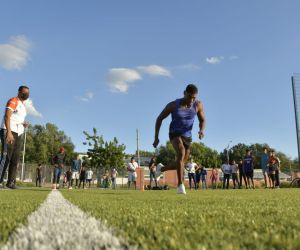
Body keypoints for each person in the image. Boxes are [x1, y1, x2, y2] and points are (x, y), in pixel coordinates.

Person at [153, 84, 205, 194]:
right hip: (174, 133)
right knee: (181, 152)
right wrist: (156, 137)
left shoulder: (197, 105)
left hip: (187, 136)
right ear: (184, 93)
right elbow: (159, 118)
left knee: (181, 163)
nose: (192, 100)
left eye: (194, 98)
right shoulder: (173, 105)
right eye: (190, 97)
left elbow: (202, 120)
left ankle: (161, 169)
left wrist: (201, 130)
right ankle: (180, 186)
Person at [0, 86, 30, 189]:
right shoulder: (13, 100)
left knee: (15, 159)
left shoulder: (23, 106)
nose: (26, 94)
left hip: (19, 133)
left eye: (28, 93)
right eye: (24, 92)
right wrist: (8, 132)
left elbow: (17, 118)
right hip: (9, 131)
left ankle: (11, 183)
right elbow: (7, 116)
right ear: (19, 92)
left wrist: (23, 123)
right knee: (6, 157)